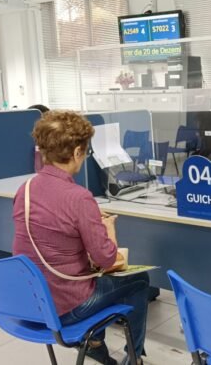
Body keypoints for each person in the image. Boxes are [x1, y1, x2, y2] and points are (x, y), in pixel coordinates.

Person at [12, 111, 149, 365]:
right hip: (65, 309)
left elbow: (48, 234)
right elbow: (107, 259)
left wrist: (85, 219)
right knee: (140, 280)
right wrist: (107, 227)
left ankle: (95, 345)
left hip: (32, 303)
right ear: (77, 152)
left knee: (91, 275)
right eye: (84, 152)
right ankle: (134, 357)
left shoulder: (25, 190)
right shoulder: (79, 197)